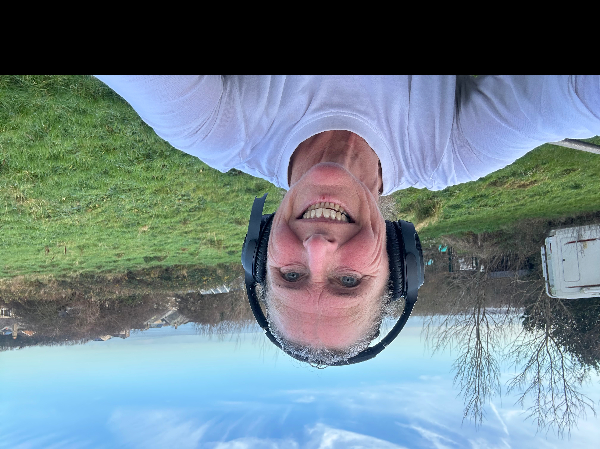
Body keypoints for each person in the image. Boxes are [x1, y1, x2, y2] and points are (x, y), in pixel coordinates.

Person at [94, 75, 600, 364]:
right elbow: (571, 96)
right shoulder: (453, 147)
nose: (318, 249)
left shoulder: (217, 128)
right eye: (349, 281)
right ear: (397, 261)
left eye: (291, 275)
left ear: (262, 248)